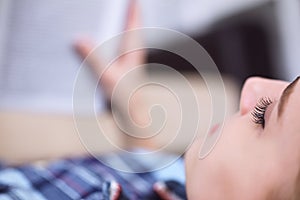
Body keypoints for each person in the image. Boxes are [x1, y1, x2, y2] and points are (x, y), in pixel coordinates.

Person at [1, 1, 300, 200]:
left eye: (264, 114)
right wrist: (133, 106)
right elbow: (155, 166)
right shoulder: (183, 182)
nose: (254, 84)